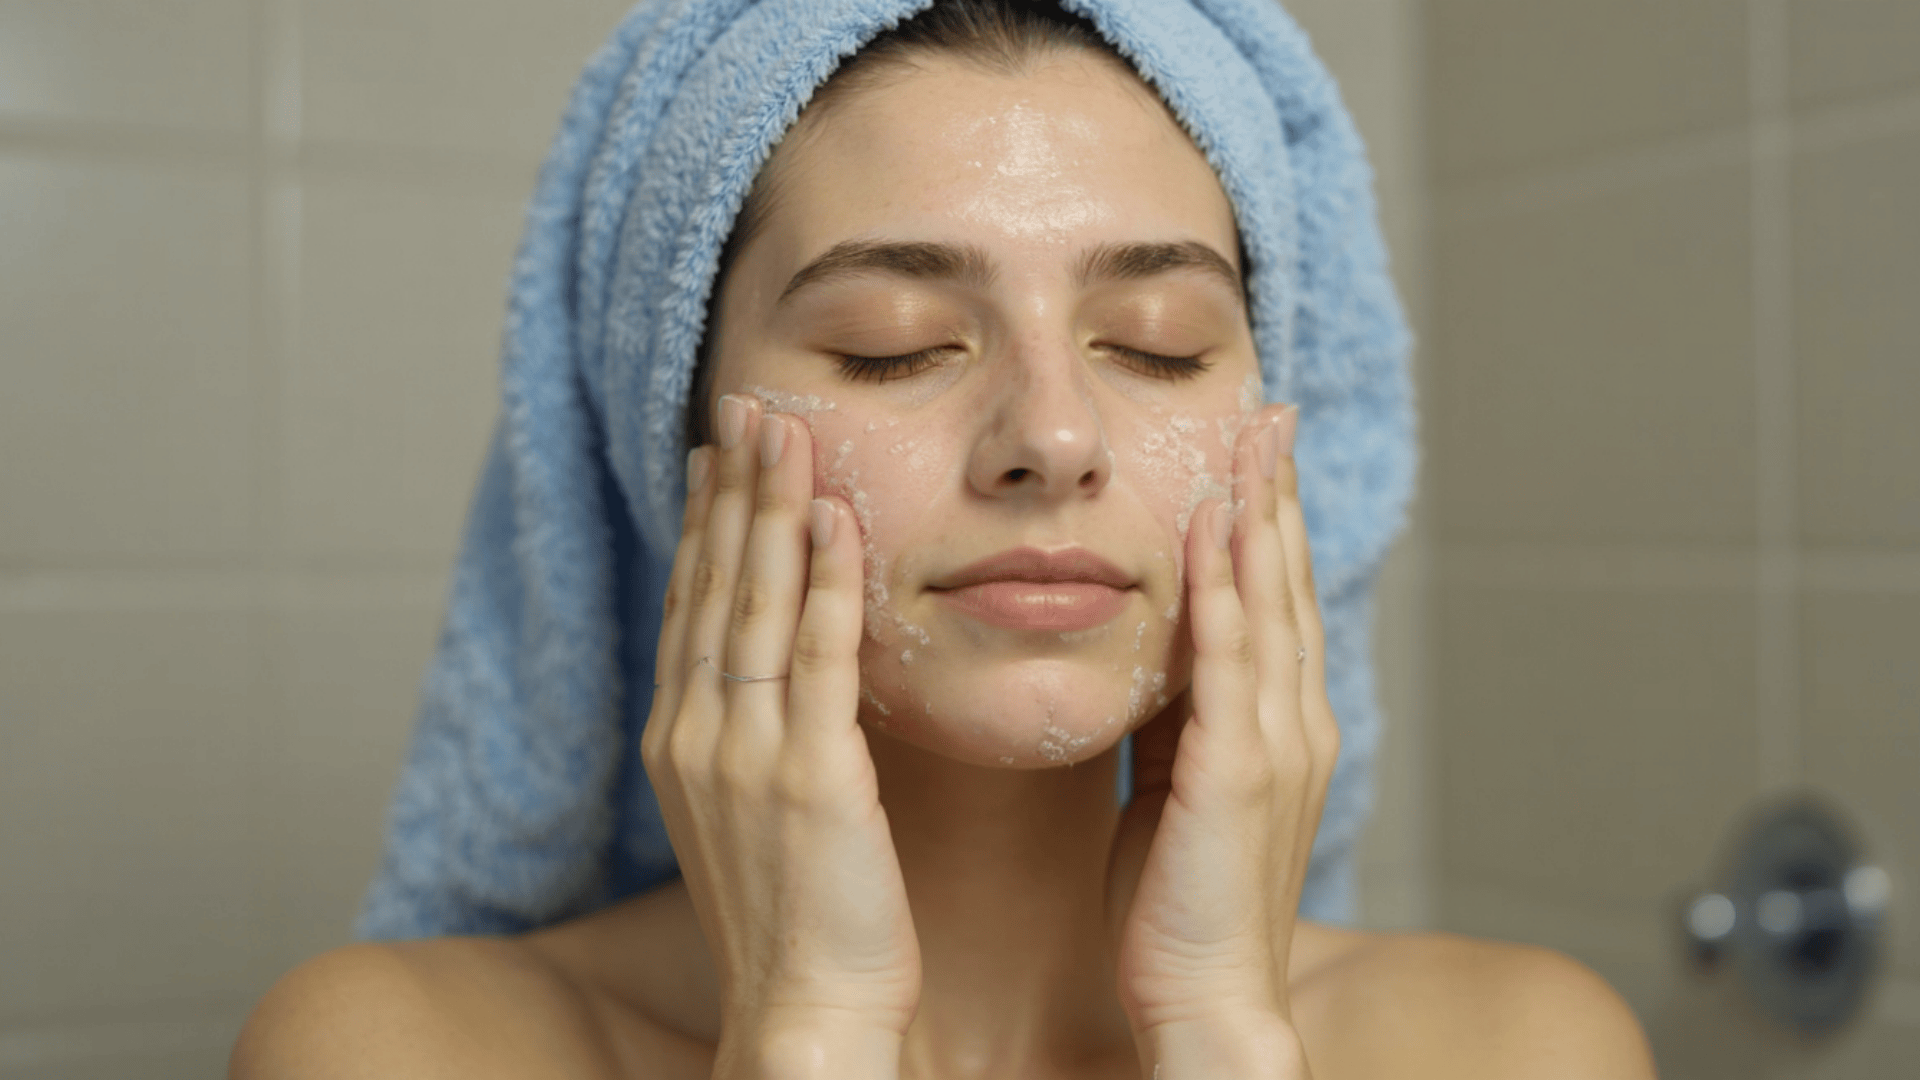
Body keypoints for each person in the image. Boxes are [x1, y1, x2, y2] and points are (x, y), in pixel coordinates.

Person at [232, 2, 1657, 1077]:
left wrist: (1222, 1024)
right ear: (680, 442)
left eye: (1157, 349)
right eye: (890, 347)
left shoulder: (1518, 1047)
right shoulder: (398, 1050)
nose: (1055, 431)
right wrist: (810, 1034)